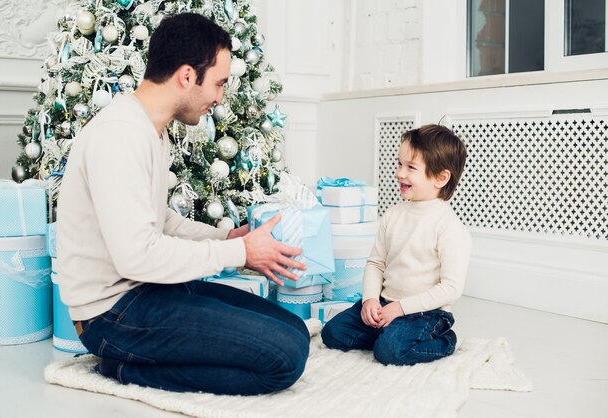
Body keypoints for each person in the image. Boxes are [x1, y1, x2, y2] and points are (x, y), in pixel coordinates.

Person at [56, 13, 310, 395]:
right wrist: (238, 252)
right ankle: (123, 368)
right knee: (284, 359)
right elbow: (137, 256)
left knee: (295, 331)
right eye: (219, 83)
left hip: (148, 291)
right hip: (111, 314)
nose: (220, 97)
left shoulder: (147, 128)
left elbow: (160, 222)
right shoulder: (120, 136)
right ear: (187, 75)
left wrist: (228, 235)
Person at [321, 124, 471, 366]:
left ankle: (445, 340)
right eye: (399, 164)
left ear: (441, 178)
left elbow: (451, 288)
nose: (400, 173)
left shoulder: (449, 227)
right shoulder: (393, 215)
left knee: (390, 352)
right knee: (333, 333)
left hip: (425, 313)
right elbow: (376, 263)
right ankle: (387, 333)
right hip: (385, 303)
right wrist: (370, 299)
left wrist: (401, 308)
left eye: (411, 167)